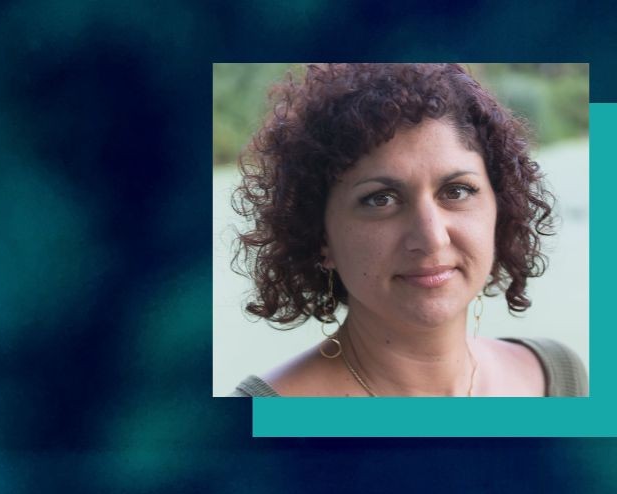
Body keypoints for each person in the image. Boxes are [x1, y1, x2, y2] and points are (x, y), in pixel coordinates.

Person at [230, 63, 586, 397]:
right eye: (380, 199)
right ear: (320, 235)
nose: (432, 237)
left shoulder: (558, 378)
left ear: (500, 207)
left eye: (457, 191)